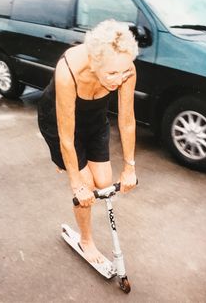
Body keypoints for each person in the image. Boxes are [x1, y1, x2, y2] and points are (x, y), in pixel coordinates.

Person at [37, 19, 138, 264]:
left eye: (125, 71)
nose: (120, 78)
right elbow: (66, 135)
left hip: (94, 120)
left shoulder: (125, 67)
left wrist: (129, 167)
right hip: (59, 122)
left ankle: (75, 168)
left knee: (103, 183)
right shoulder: (69, 71)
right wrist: (77, 184)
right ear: (94, 64)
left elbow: (126, 121)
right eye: (112, 73)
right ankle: (86, 240)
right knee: (86, 185)